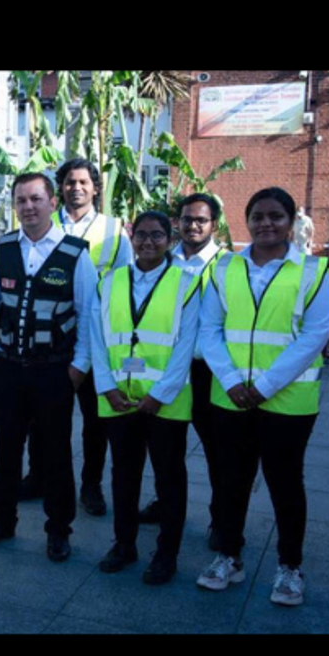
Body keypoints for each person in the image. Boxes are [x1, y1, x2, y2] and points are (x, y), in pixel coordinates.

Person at [196, 187, 329, 607]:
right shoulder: (224, 270)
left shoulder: (313, 273)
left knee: (286, 486)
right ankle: (229, 557)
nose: (266, 223)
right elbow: (209, 330)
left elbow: (314, 338)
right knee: (231, 482)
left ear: (291, 223)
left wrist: (265, 386)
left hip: (288, 404)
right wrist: (233, 381)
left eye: (276, 216)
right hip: (231, 398)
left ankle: (290, 567)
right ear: (246, 220)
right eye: (257, 216)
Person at [0, 172, 97, 562]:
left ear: (53, 202)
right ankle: (1, 521)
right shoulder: (2, 248)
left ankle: (58, 530)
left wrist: (78, 368)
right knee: (7, 449)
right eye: (21, 200)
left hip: (54, 371)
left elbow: (89, 315)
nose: (28, 207)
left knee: (56, 452)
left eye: (36, 199)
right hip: (7, 368)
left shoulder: (75, 253)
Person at [92, 211, 200, 585]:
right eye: (141, 235)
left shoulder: (187, 283)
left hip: (166, 402)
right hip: (117, 397)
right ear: (130, 237)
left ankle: (166, 555)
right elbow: (97, 336)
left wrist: (160, 394)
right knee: (123, 476)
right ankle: (124, 545)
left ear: (170, 239)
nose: (148, 242)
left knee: (169, 479)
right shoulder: (109, 280)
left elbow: (185, 345)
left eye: (157, 235)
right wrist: (105, 385)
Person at [20, 158, 132, 516]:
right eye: (69, 182)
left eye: (83, 182)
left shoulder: (114, 231)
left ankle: (90, 484)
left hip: (96, 337)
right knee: (39, 416)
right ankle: (38, 476)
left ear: (96, 187)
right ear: (60, 190)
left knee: (94, 418)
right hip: (48, 337)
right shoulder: (43, 224)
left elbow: (128, 283)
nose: (76, 188)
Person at [138, 193, 227, 552]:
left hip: (207, 372)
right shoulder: (165, 262)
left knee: (217, 452)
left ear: (214, 225)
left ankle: (222, 520)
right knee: (167, 451)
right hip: (168, 370)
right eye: (187, 219)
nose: (192, 226)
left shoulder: (227, 265)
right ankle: (165, 503)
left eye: (201, 220)